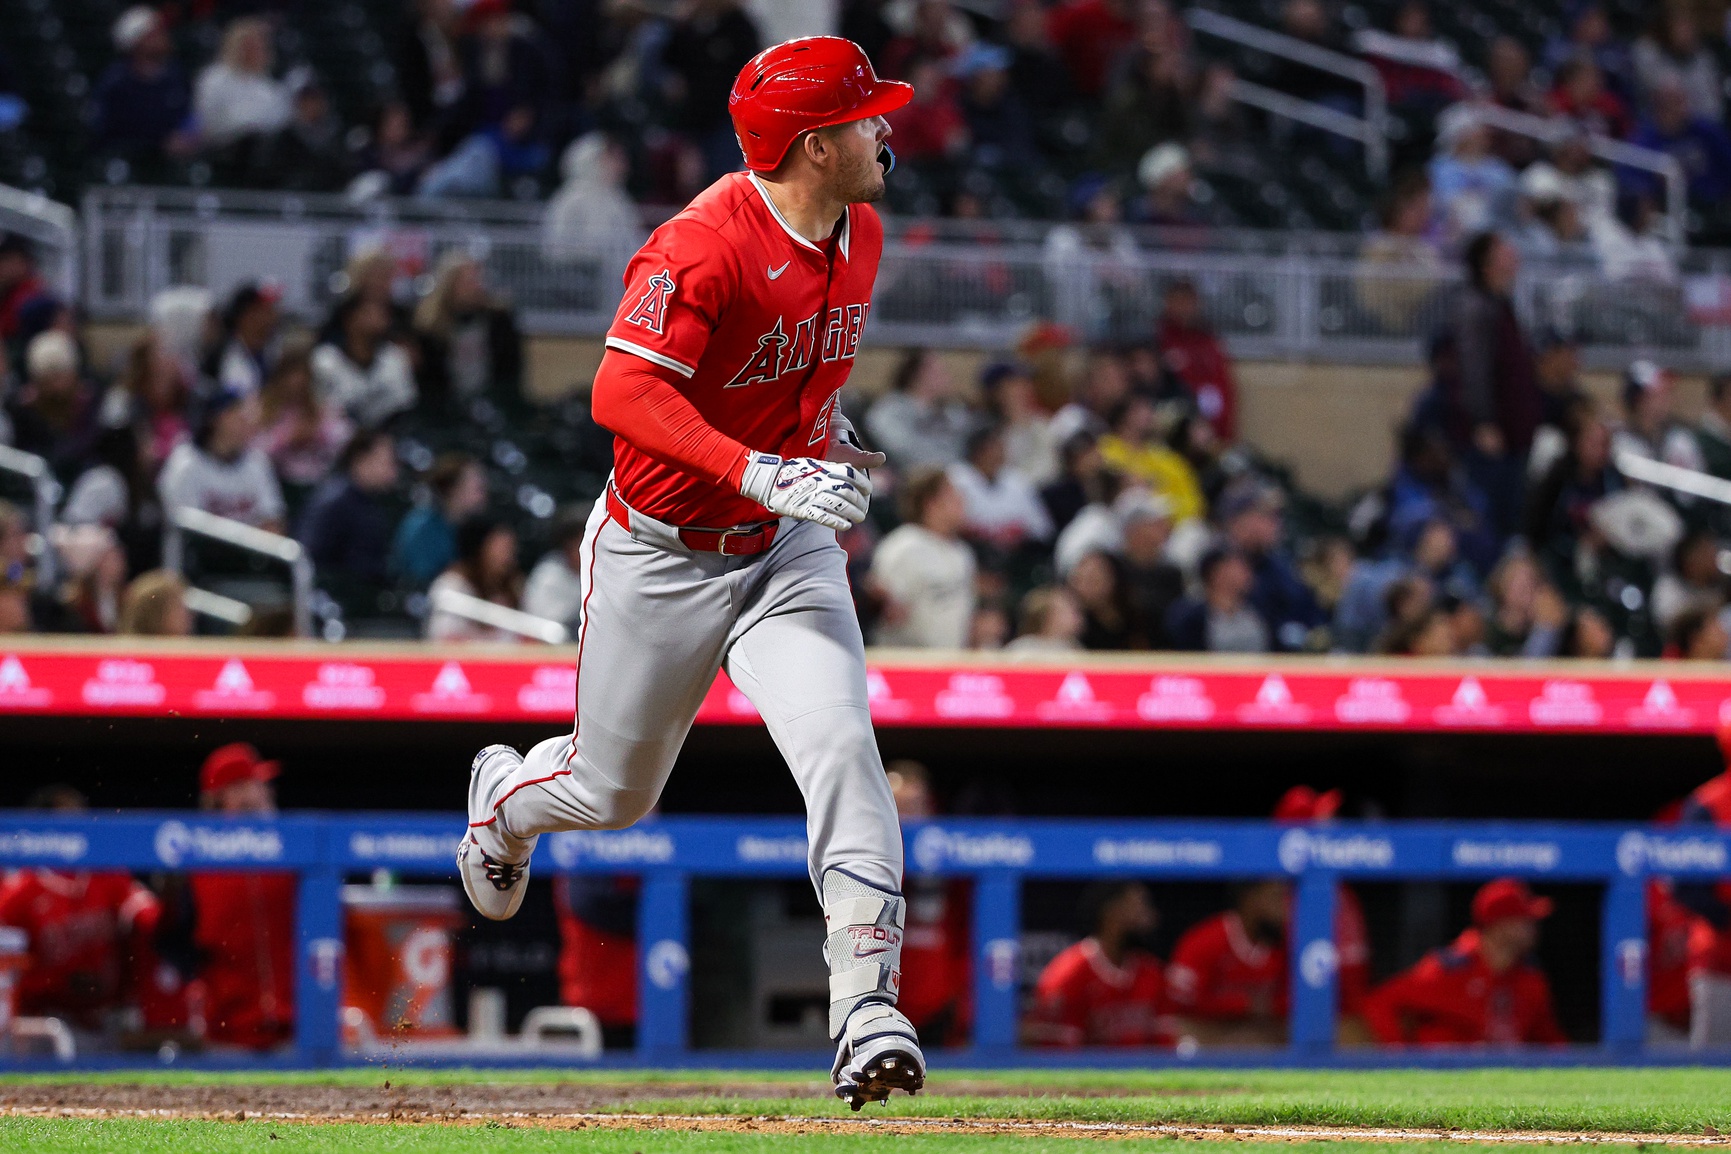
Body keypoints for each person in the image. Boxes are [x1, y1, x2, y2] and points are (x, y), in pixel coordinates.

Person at [456, 38, 927, 1108]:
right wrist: (758, 466)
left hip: (783, 552)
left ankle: (866, 1004)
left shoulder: (862, 233)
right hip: (660, 554)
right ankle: (505, 801)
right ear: (813, 146)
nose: (884, 129)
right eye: (864, 118)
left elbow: (792, 385)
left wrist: (825, 440)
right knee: (611, 793)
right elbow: (620, 395)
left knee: (843, 742)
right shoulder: (701, 244)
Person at [0, 785, 165, 1029]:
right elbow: (8, 971)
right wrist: (58, 982)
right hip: (46, 1021)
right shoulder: (18, 891)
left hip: (111, 1015)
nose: (79, 832)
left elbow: (149, 918)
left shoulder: (108, 874)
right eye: (68, 823)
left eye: (81, 821)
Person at [1364, 878, 1565, 1046]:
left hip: (1501, 1081)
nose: (1534, 927)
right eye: (1525, 920)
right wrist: (1402, 1058)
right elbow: (1381, 1002)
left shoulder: (1531, 979)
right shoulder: (1449, 970)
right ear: (1501, 925)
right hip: (1443, 1081)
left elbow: (1549, 1041)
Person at [191, 744, 296, 1049]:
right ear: (228, 795)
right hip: (225, 1035)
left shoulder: (291, 855)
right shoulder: (197, 866)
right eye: (255, 784)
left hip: (296, 1032)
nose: (266, 792)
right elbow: (176, 944)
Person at [888, 761, 972, 1044]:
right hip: (882, 1001)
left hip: (940, 1004)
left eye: (913, 808)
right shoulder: (865, 861)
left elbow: (966, 932)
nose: (906, 819)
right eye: (897, 808)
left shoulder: (952, 861)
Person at [1027, 881, 1169, 1047]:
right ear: (1112, 912)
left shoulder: (1152, 971)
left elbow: (1166, 1044)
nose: (1150, 917)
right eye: (1139, 906)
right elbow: (1059, 1058)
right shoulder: (1068, 975)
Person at [1166, 879, 1291, 1046]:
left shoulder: (1287, 943)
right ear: (1251, 900)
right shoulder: (1204, 942)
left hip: (1259, 1034)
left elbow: (1301, 1001)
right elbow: (1177, 1004)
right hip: (1208, 1035)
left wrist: (1266, 1009)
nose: (1286, 907)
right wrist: (1243, 1006)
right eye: (1277, 897)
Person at [869, 467, 976, 649]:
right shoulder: (902, 547)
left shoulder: (962, 552)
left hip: (950, 662)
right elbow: (888, 613)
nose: (961, 501)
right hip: (906, 663)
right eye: (952, 495)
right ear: (931, 503)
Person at [157, 389, 286, 535]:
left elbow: (272, 523)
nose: (245, 421)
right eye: (236, 413)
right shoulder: (185, 465)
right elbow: (184, 528)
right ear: (216, 419)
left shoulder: (257, 463)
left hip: (245, 556)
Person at [411, 251, 523, 413]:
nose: (476, 285)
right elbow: (428, 383)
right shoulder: (430, 330)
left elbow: (510, 374)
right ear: (449, 285)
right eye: (469, 281)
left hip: (492, 406)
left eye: (479, 279)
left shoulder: (499, 322)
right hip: (444, 411)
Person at [91, 6, 193, 172]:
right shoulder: (116, 82)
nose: (163, 36)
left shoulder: (175, 73)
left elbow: (186, 115)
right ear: (137, 41)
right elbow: (110, 132)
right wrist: (160, 143)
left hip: (170, 163)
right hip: (129, 162)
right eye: (155, 33)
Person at [296, 429, 400, 592]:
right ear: (361, 460)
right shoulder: (334, 500)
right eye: (387, 462)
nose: (393, 472)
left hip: (364, 594)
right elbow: (309, 557)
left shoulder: (372, 501)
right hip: (335, 596)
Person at [312, 295, 418, 428]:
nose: (376, 318)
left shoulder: (395, 357)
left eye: (381, 313)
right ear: (349, 319)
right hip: (337, 440)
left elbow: (405, 410)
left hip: (388, 438)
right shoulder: (325, 359)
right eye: (368, 312)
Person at [947, 424, 1052, 552]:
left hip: (1015, 555)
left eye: (1000, 446)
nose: (999, 451)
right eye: (992, 446)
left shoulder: (1017, 480)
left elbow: (1043, 530)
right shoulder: (956, 477)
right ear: (977, 451)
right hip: (970, 551)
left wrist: (1017, 532)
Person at [391, 452, 488, 588]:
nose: (483, 494)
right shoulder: (422, 526)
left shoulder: (464, 527)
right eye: (477, 488)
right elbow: (418, 580)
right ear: (454, 489)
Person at [1155, 279, 1236, 441]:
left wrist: (1224, 432)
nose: (1182, 308)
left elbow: (1224, 387)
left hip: (1212, 431)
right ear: (1167, 303)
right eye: (1177, 301)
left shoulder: (1208, 342)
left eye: (1187, 302)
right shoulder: (1159, 340)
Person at [866, 349, 974, 470]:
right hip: (909, 477)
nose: (947, 378)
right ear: (919, 374)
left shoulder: (951, 410)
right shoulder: (889, 410)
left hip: (954, 475)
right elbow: (901, 449)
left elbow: (965, 444)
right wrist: (940, 467)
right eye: (939, 372)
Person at [193, 17, 291, 150]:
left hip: (263, 152)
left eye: (259, 44)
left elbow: (281, 120)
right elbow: (207, 120)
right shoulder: (214, 78)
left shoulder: (270, 87)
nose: (254, 49)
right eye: (248, 44)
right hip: (224, 152)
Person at [426, 515, 522, 642]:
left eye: (510, 549)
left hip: (505, 661)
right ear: (480, 548)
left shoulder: (511, 588)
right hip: (461, 661)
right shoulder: (452, 586)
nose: (508, 557)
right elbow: (444, 639)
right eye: (501, 548)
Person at [1165, 544, 1269, 653]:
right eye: (1239, 568)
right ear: (1216, 573)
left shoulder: (1258, 609)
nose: (1248, 574)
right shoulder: (1190, 616)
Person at [522, 505, 588, 632]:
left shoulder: (599, 572)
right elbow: (542, 625)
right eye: (582, 540)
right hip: (549, 646)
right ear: (568, 543)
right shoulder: (549, 574)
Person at [208, 282, 281, 397]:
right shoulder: (223, 357)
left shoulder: (273, 352)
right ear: (247, 316)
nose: (273, 316)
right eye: (266, 311)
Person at [1006, 584, 1085, 653]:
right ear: (1048, 616)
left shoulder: (1075, 647)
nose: (1077, 616)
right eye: (1070, 610)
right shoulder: (1022, 649)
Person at [117, 568, 192, 636]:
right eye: (177, 605)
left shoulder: (185, 648)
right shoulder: (127, 649)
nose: (187, 613)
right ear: (155, 616)